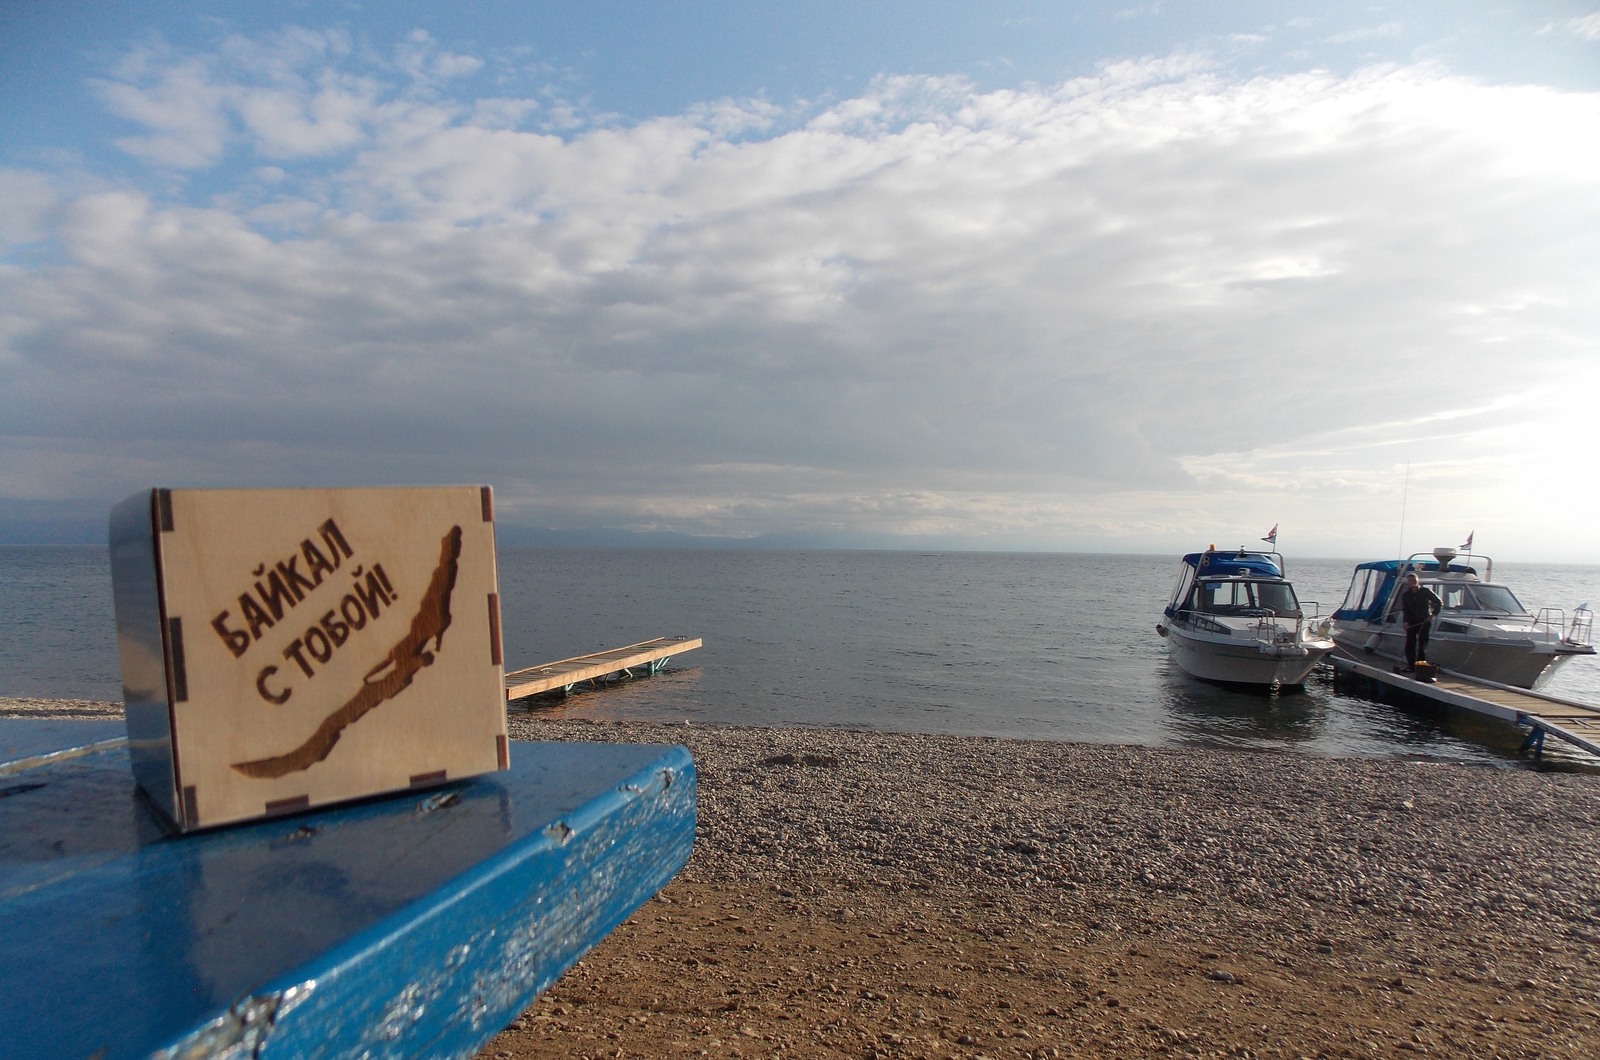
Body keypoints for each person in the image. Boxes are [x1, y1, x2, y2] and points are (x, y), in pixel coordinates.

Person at [1397, 572, 1442, 672]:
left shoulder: (1425, 591)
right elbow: (1405, 609)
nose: (1412, 583)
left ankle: (1420, 666)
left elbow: (1438, 602)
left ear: (1418, 581)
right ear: (1407, 582)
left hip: (1424, 621)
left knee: (1422, 645)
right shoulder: (1406, 595)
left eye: (1414, 581)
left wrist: (1433, 614)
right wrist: (1405, 622)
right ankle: (1411, 666)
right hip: (1412, 622)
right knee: (1409, 646)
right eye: (1410, 581)